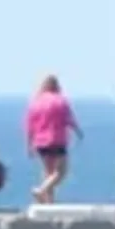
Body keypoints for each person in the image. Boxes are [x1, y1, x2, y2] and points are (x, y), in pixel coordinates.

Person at [25, 75, 82, 203]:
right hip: (57, 140)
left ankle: (47, 202)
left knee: (48, 172)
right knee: (61, 172)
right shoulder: (60, 101)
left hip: (40, 142)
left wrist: (29, 145)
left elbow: (29, 125)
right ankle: (41, 190)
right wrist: (78, 131)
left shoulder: (36, 103)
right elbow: (69, 119)